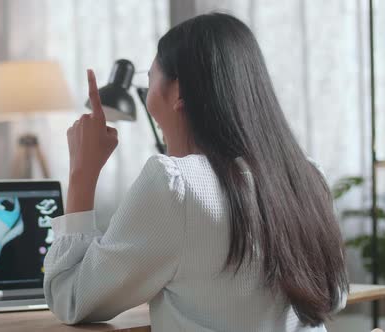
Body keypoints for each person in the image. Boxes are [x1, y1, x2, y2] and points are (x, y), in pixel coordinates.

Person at [43, 13, 349, 332]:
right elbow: (335, 295)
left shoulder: (176, 185)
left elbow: (71, 298)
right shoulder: (308, 176)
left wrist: (82, 172)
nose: (147, 98)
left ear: (178, 93)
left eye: (150, 81)